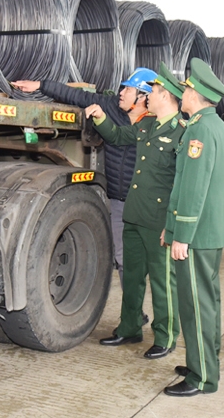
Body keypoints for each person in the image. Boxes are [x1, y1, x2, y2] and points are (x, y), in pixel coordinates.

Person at [12, 70, 154, 293]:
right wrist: (41, 85)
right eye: (123, 87)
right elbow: (77, 97)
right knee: (123, 258)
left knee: (151, 258)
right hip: (118, 200)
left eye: (128, 89)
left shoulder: (157, 124)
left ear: (143, 96)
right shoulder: (111, 107)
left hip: (145, 203)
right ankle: (133, 315)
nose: (121, 93)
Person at [85, 63, 186, 359]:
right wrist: (102, 119)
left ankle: (165, 337)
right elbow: (117, 137)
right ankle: (129, 328)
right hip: (134, 213)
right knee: (131, 277)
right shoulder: (146, 125)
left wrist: (174, 222)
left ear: (165, 96)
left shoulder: (181, 132)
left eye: (152, 91)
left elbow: (183, 183)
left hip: (159, 220)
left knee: (162, 280)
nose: (147, 97)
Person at [161, 58, 224, 397]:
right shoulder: (213, 125)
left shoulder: (201, 130)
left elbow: (194, 187)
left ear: (199, 94)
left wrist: (182, 236)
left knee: (196, 305)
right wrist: (170, 229)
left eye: (187, 89)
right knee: (207, 302)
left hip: (198, 234)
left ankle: (202, 376)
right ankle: (203, 360)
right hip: (206, 232)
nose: (184, 93)